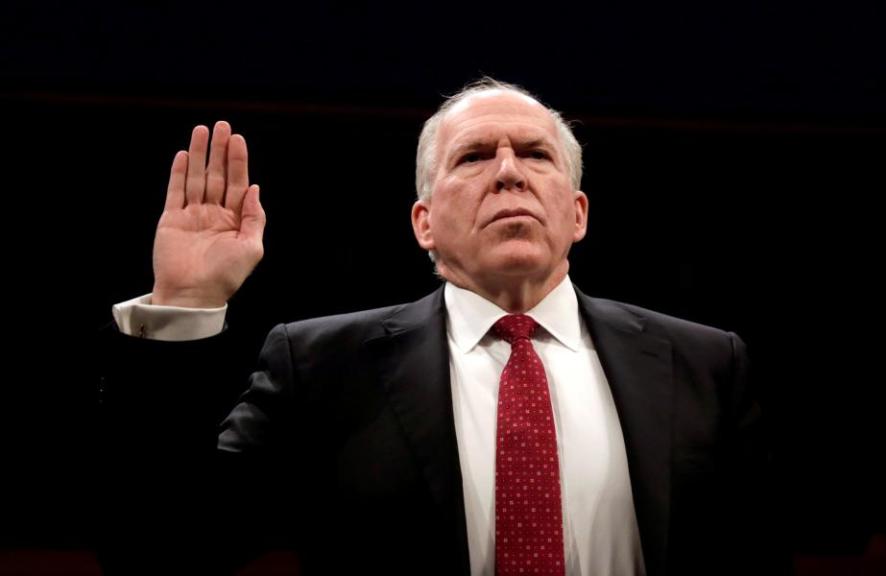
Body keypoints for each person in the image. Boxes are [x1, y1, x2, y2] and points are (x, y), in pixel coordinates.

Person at [96, 78, 788, 575]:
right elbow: (162, 547)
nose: (509, 172)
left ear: (577, 214)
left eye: (536, 155)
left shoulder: (704, 364)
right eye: (475, 156)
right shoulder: (320, 366)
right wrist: (183, 304)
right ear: (424, 223)